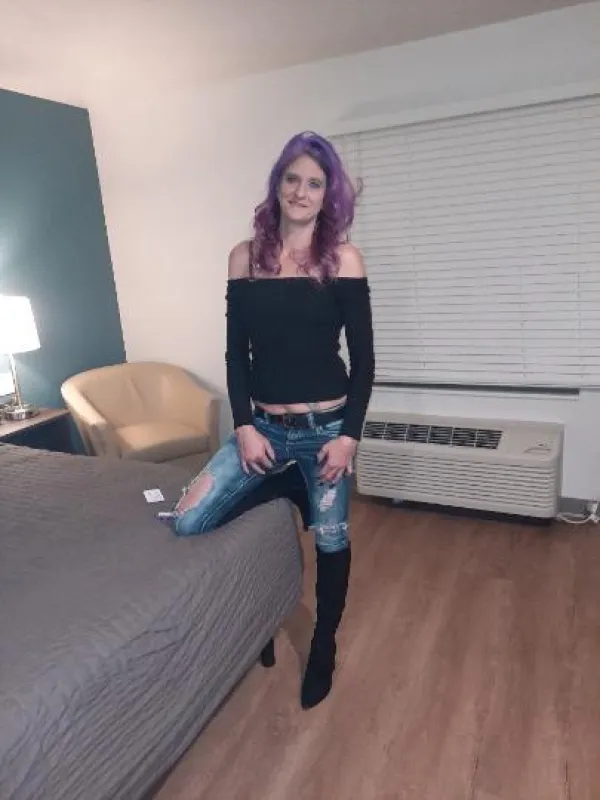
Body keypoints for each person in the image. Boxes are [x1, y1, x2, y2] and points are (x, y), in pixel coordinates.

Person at [169, 130, 375, 710]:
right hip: (263, 427)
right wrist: (243, 425)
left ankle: (324, 646)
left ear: (328, 195)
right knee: (188, 521)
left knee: (331, 539)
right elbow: (236, 354)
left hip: (326, 429)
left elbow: (364, 362)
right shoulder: (245, 257)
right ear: (277, 183)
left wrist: (349, 439)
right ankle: (287, 483)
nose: (301, 192)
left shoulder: (343, 260)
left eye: (315, 183)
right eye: (293, 179)